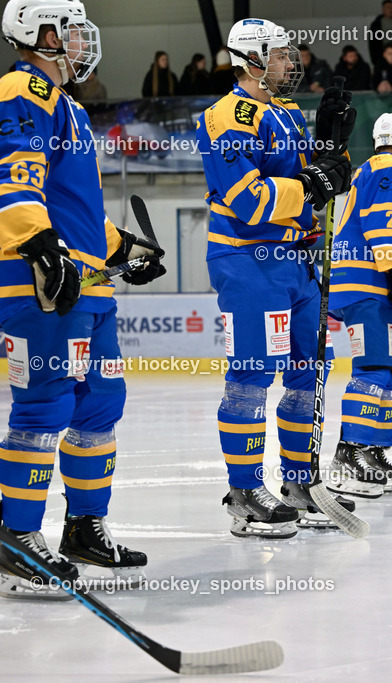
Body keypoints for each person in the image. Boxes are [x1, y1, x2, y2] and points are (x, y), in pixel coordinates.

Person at [0, 0, 164, 598]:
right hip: (37, 281)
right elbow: (12, 177)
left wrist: (122, 251)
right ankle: (16, 537)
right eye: (65, 31)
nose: (77, 42)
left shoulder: (66, 105)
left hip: (86, 284)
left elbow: (76, 212)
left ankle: (82, 527)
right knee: (45, 407)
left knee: (100, 402)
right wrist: (41, 248)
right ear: (35, 35)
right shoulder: (21, 89)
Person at [198, 17, 355, 536]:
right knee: (251, 374)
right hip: (249, 259)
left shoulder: (284, 112)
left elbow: (320, 180)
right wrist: (310, 186)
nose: (293, 63)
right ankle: (243, 491)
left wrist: (333, 149)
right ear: (255, 59)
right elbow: (247, 198)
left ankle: (299, 480)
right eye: (284, 55)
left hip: (297, 259)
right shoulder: (227, 115)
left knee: (306, 372)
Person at [325, 112, 392, 497]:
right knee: (373, 369)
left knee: (388, 372)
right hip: (367, 285)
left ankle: (373, 452)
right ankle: (349, 455)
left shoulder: (376, 168)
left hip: (375, 287)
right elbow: (381, 221)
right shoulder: (391, 166)